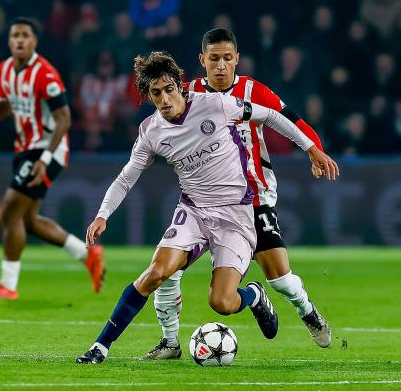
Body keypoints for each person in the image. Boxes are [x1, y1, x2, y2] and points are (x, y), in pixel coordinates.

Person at [76, 51, 338, 364]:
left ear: (179, 86)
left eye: (169, 89)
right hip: (194, 212)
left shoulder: (215, 105)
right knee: (156, 274)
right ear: (148, 96)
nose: (164, 99)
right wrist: (103, 214)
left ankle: (253, 295)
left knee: (222, 302)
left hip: (235, 214)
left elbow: (269, 116)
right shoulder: (151, 132)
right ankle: (101, 347)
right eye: (156, 93)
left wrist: (311, 148)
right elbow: (125, 178)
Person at [142, 29, 334, 361]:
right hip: (204, 204)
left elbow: (288, 120)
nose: (220, 66)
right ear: (202, 60)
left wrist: (313, 149)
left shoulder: (254, 91)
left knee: (281, 279)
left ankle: (307, 310)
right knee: (168, 270)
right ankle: (170, 342)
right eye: (213, 59)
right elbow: (161, 120)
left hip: (254, 197)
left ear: (236, 59)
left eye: (226, 58)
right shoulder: (187, 93)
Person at [0, 17, 105, 299]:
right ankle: (88, 255)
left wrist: (45, 158)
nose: (19, 40)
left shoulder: (45, 74)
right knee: (28, 221)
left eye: (25, 35)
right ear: (9, 41)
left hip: (48, 148)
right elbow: (3, 107)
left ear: (34, 41)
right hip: (24, 149)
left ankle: (7, 286)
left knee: (10, 209)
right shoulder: (5, 70)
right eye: (15, 35)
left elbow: (64, 119)